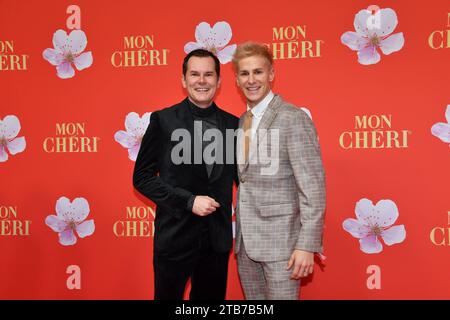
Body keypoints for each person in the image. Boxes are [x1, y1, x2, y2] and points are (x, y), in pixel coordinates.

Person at [133, 49, 239, 300]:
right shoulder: (163, 120)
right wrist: (188, 201)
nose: (201, 81)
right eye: (194, 74)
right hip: (174, 239)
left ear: (219, 81)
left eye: (208, 75)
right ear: (183, 80)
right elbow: (142, 177)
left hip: (216, 242)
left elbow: (245, 181)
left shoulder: (235, 125)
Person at [232, 42, 326, 300]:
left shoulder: (292, 118)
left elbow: (312, 187)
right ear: (237, 79)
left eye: (258, 72)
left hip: (282, 245)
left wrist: (307, 245)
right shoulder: (241, 122)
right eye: (244, 73)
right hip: (245, 244)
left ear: (271, 74)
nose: (251, 80)